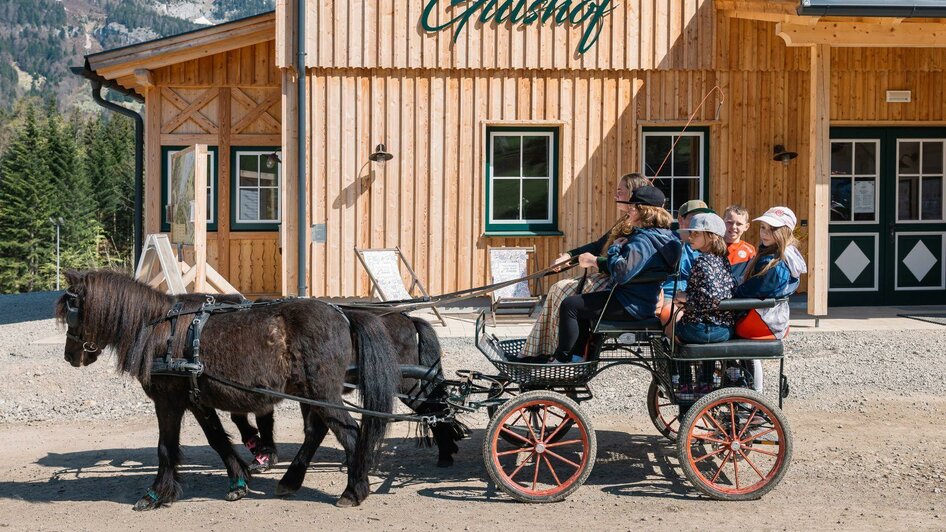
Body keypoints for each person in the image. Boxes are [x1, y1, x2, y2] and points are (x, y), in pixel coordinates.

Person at [516, 173, 650, 360]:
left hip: (618, 287)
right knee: (557, 289)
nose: (615, 196)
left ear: (633, 194)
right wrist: (568, 257)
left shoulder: (639, 231)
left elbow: (624, 267)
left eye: (620, 191)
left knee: (562, 292)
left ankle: (562, 354)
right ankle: (542, 351)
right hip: (609, 278)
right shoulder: (624, 222)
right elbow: (597, 246)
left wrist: (594, 261)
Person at [551, 186, 677, 363]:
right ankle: (576, 359)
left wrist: (613, 250)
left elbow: (621, 273)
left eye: (633, 207)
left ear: (643, 211)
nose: (630, 211)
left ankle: (562, 360)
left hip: (629, 304)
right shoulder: (668, 237)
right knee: (582, 306)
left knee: (570, 306)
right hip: (643, 300)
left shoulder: (643, 240)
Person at [733, 206, 807, 391]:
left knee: (711, 332)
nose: (764, 233)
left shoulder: (775, 265)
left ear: (784, 232)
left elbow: (747, 292)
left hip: (760, 320)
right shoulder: (783, 256)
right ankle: (739, 385)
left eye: (771, 229)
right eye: (763, 228)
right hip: (769, 318)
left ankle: (747, 392)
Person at [666, 212, 735, 344]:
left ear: (712, 236)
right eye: (690, 232)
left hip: (701, 329)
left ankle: (679, 364)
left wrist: (684, 297)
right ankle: (703, 365)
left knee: (670, 329)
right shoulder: (722, 259)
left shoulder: (702, 261)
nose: (690, 237)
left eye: (696, 233)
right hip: (725, 329)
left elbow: (712, 298)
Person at [657, 199, 710, 324]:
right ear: (681, 220)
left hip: (695, 297)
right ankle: (676, 344)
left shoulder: (707, 245)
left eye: (703, 219)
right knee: (674, 315)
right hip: (669, 295)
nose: (699, 223)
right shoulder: (665, 241)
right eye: (694, 218)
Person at [723, 204, 756, 281]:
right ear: (722, 222)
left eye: (739, 224)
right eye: (729, 222)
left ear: (746, 227)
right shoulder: (712, 246)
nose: (734, 227)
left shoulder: (749, 251)